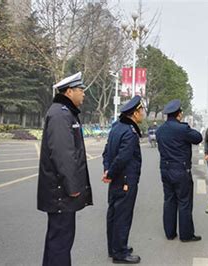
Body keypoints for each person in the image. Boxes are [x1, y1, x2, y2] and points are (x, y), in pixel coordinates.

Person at [37, 72, 93, 266]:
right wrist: (73, 186)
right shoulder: (61, 115)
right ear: (69, 91)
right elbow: (63, 156)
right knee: (60, 242)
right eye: (80, 90)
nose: (83, 94)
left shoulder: (64, 112)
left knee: (58, 240)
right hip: (61, 192)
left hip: (60, 192)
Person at [102, 96, 145, 264]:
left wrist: (107, 171)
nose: (143, 114)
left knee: (113, 213)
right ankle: (120, 253)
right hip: (126, 180)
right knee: (123, 215)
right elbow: (122, 158)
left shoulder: (116, 128)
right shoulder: (130, 133)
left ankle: (114, 248)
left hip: (116, 180)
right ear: (134, 113)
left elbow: (107, 152)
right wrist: (111, 173)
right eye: (141, 111)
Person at [155, 99, 203, 242]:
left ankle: (170, 233)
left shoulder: (160, 130)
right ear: (179, 114)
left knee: (169, 200)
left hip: (165, 169)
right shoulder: (182, 129)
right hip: (181, 170)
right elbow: (198, 138)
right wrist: (186, 127)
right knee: (184, 202)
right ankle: (186, 235)